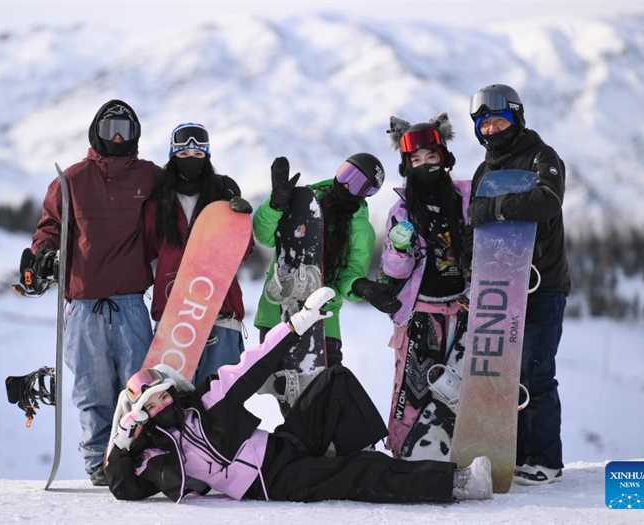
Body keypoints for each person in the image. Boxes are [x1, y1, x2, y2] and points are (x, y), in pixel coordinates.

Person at [104, 287, 493, 503]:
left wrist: (297, 324)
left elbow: (253, 363)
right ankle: (457, 483)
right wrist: (122, 444)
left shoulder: (207, 403)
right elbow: (125, 489)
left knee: (335, 381)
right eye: (150, 406)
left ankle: (355, 457)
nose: (161, 406)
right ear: (141, 416)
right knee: (359, 471)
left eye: (163, 396)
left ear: (174, 391)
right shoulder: (155, 454)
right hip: (272, 482)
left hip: (282, 445)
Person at [22, 100, 160, 486]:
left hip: (130, 302)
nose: (116, 137)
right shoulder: (72, 180)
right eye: (110, 128)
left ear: (135, 135)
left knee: (138, 387)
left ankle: (136, 455)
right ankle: (100, 461)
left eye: (124, 130)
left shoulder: (150, 177)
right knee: (92, 390)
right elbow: (50, 226)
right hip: (83, 306)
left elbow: (185, 192)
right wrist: (43, 254)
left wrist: (216, 187)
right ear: (95, 132)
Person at [465, 84, 570, 485]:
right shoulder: (484, 171)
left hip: (542, 285)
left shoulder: (543, 156)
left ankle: (544, 459)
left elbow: (547, 201)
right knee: (499, 375)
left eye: (499, 120)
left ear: (516, 119)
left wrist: (496, 207)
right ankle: (509, 452)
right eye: (484, 124)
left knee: (535, 372)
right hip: (498, 287)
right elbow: (475, 229)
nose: (491, 129)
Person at [252, 154, 398, 401]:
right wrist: (276, 204)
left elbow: (348, 276)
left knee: (321, 402)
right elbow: (264, 236)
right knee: (286, 399)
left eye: (358, 184)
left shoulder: (360, 229)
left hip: (321, 325)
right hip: (277, 314)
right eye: (346, 173)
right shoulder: (302, 202)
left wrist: (361, 286)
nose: (346, 184)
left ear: (367, 194)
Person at [379, 112, 471, 460]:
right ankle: (406, 454)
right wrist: (398, 247)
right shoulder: (402, 209)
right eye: (416, 159)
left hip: (463, 310)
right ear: (407, 166)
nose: (425, 164)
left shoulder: (465, 197)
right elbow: (395, 270)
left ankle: (462, 452)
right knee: (416, 388)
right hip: (421, 313)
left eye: (431, 156)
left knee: (461, 387)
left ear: (443, 157)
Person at [143, 123, 254, 385]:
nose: (190, 160)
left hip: (221, 314)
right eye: (183, 154)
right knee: (171, 402)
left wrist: (237, 217)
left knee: (219, 400)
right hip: (174, 319)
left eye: (197, 155)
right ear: (172, 157)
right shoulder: (158, 201)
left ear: (207, 156)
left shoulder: (222, 194)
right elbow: (146, 249)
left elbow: (243, 251)